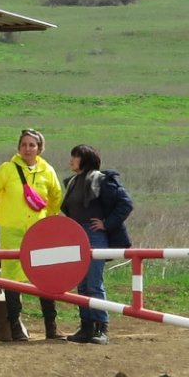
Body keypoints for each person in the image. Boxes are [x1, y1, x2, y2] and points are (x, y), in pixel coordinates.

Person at [0, 128, 64, 341]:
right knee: (12, 278)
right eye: (24, 145)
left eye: (32, 145)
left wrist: (48, 217)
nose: (27, 149)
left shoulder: (48, 171)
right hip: (12, 231)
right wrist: (0, 217)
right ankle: (15, 327)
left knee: (44, 275)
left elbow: (56, 196)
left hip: (39, 231)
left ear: (39, 148)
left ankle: (51, 327)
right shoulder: (7, 169)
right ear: (19, 147)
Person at [60, 143, 134, 346]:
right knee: (82, 284)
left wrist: (106, 224)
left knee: (93, 283)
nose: (71, 160)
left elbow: (126, 204)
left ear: (85, 159)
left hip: (94, 235)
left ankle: (102, 328)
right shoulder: (73, 182)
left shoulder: (102, 180)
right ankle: (86, 327)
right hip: (77, 236)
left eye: (75, 156)